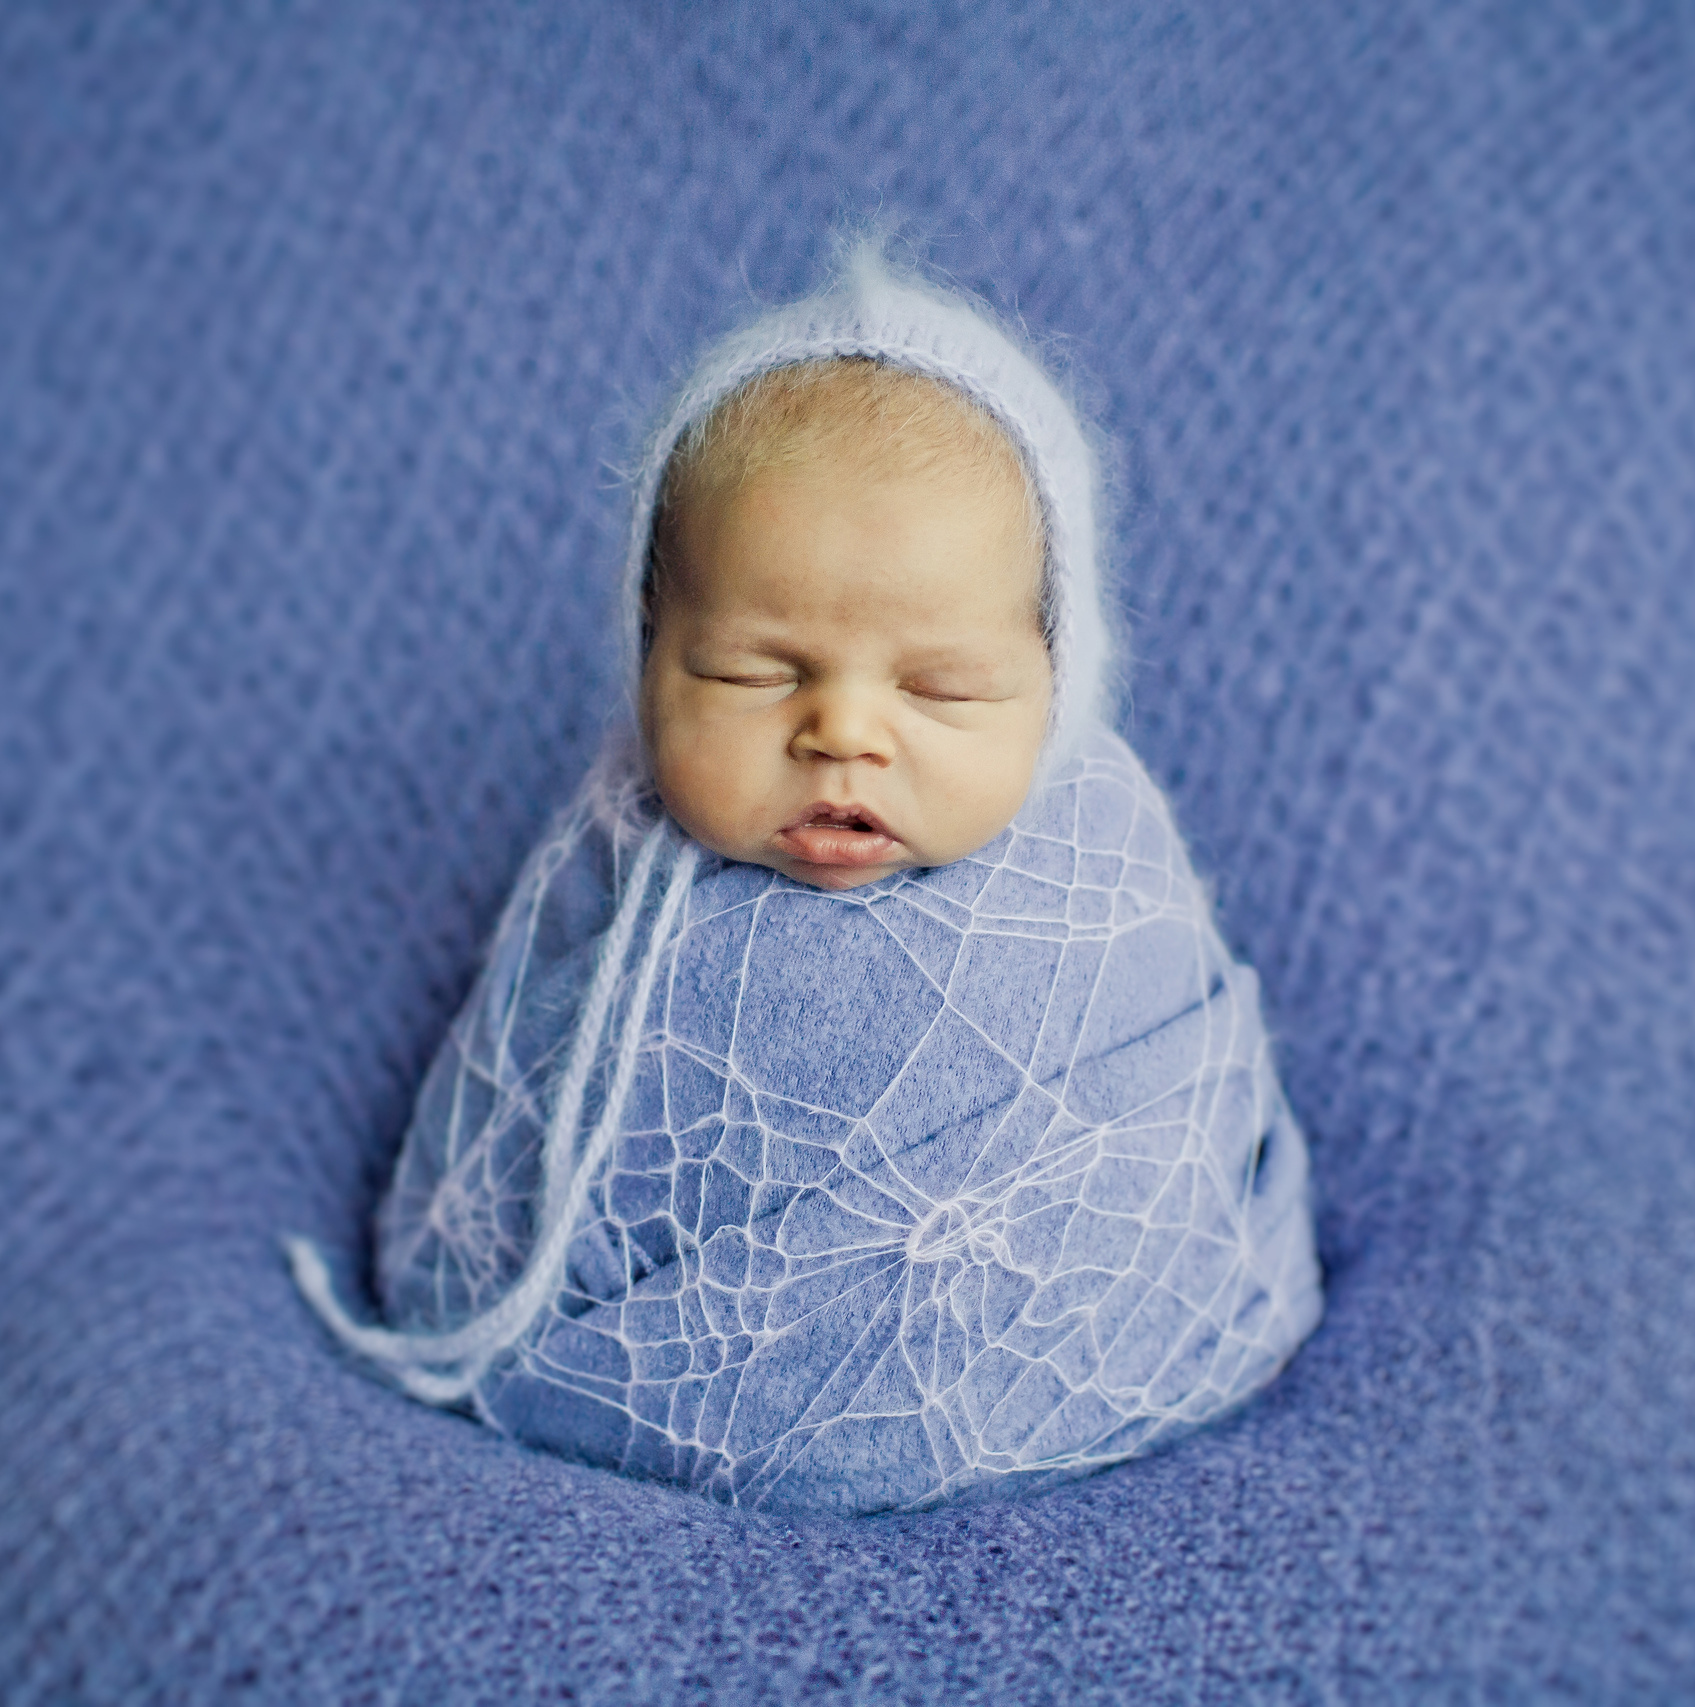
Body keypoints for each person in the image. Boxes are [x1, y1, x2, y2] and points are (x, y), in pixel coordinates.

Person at [290, 238, 1322, 1515]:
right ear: (650, 655)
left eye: (943, 687)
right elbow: (511, 1119)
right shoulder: (616, 874)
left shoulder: (1099, 883)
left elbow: (1171, 1140)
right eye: (750, 672)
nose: (842, 732)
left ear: (1056, 683)